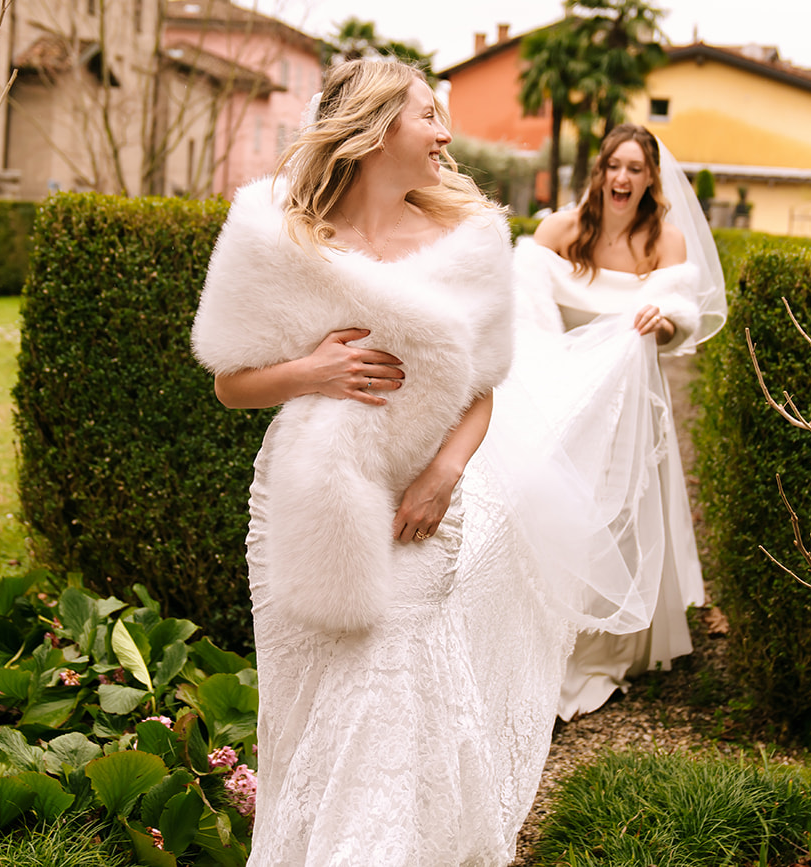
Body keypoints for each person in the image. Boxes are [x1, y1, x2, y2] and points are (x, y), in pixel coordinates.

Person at [191, 58, 570, 866]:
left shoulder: (469, 244)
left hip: (413, 508)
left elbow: (482, 390)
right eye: (428, 116)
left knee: (392, 692)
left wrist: (444, 474)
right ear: (374, 130)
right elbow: (230, 381)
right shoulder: (278, 233)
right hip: (300, 505)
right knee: (310, 705)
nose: (445, 134)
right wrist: (313, 372)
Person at [496, 123, 727, 721]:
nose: (622, 178)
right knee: (553, 509)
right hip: (558, 400)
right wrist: (553, 378)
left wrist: (663, 322)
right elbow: (523, 313)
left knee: (616, 515)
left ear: (650, 178)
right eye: (613, 166)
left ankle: (601, 641)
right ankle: (536, 630)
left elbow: (681, 318)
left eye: (635, 168)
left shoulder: (664, 243)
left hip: (626, 405)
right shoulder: (558, 230)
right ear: (598, 172)